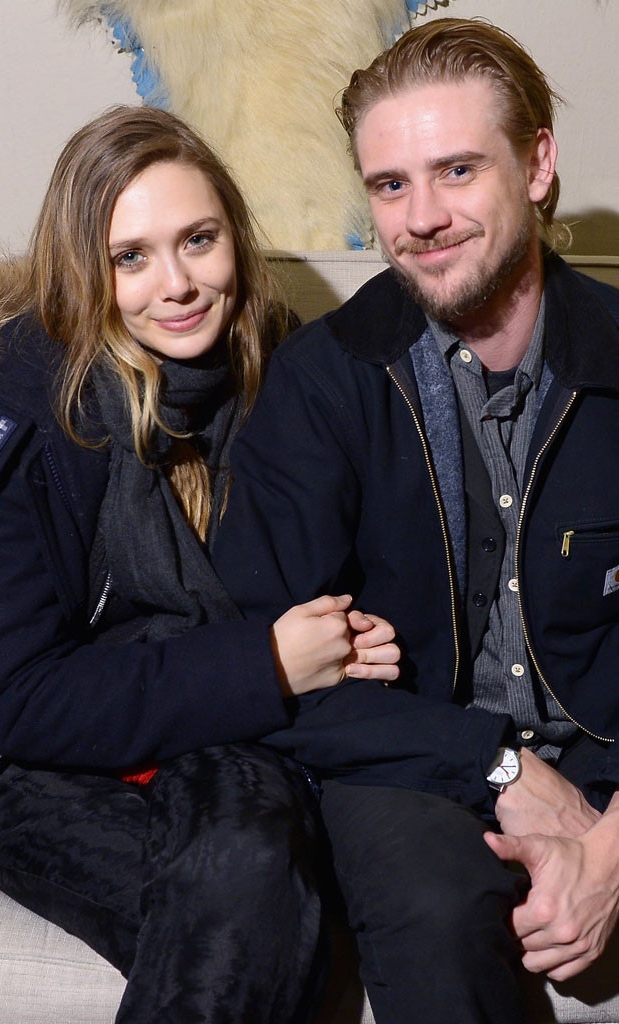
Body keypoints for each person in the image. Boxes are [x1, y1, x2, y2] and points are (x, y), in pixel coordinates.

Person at [212, 17, 619, 1024]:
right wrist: (500, 764)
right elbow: (265, 673)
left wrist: (610, 849)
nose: (422, 216)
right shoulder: (317, 386)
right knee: (436, 919)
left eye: (455, 171)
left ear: (536, 164)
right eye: (390, 185)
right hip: (414, 758)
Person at [0, 104, 400, 1024]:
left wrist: (355, 631)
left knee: (251, 870)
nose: (174, 284)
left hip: (226, 741)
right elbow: (14, 698)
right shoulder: (24, 402)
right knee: (253, 911)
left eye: (197, 240)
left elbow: (357, 573)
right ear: (83, 269)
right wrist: (265, 664)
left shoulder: (291, 377)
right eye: (131, 257)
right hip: (27, 761)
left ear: (234, 243)